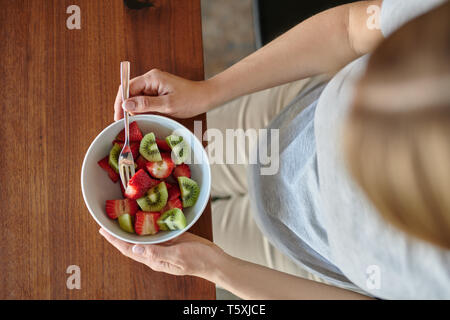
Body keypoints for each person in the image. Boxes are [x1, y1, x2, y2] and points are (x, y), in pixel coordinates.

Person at [101, 0, 450, 299]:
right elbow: (350, 29)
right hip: (283, 119)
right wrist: (208, 91)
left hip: (298, 258)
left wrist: (217, 267)